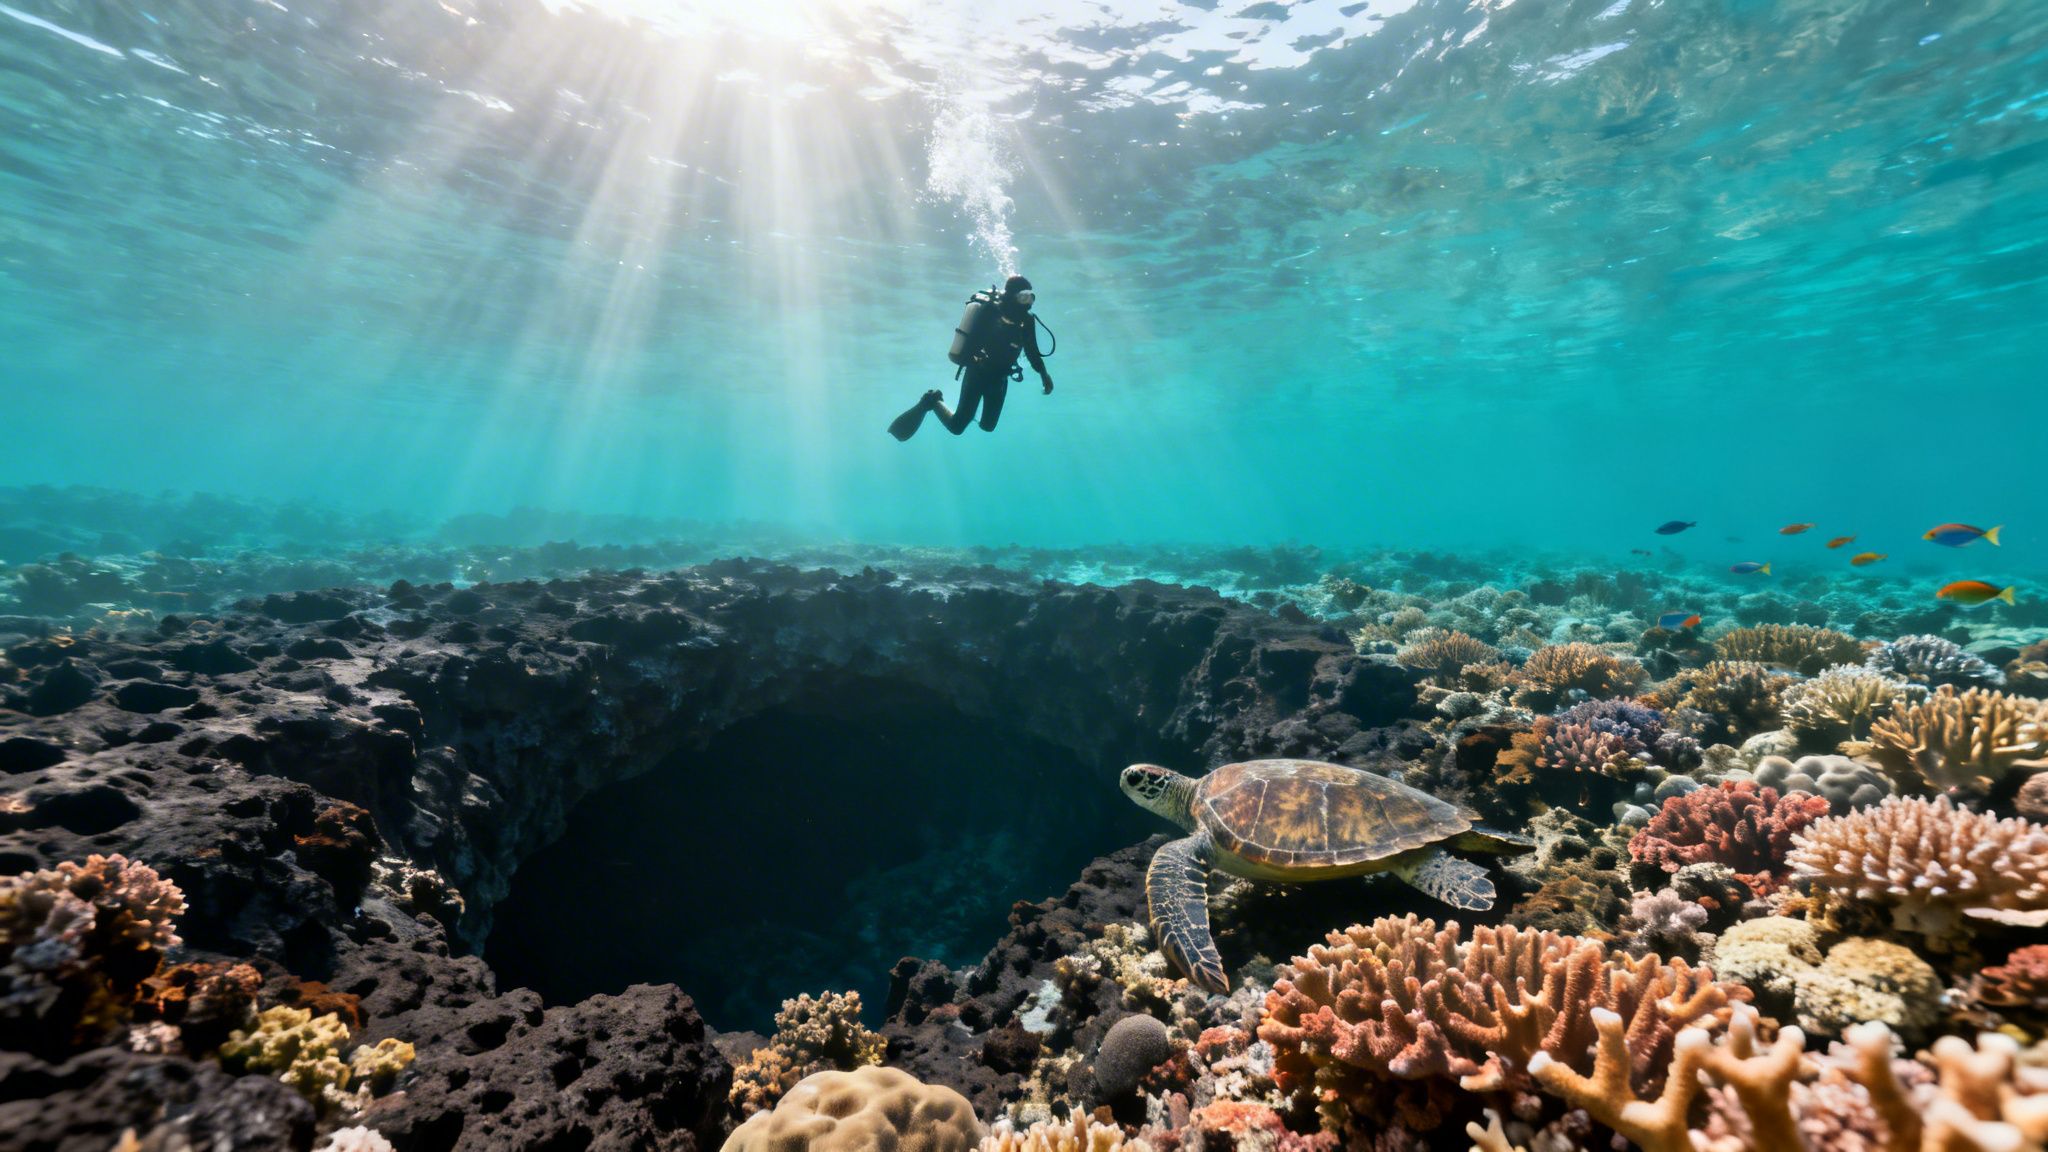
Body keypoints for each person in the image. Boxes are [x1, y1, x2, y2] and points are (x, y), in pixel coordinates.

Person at [889, 275, 1053, 441]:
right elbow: (972, 343)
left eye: (1031, 297)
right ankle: (931, 401)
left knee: (988, 427)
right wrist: (977, 360)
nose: (1029, 303)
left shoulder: (1027, 320)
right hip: (978, 374)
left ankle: (966, 413)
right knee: (957, 427)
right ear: (1012, 296)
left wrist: (1044, 375)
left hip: (1000, 379)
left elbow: (1032, 351)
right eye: (1024, 297)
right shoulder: (991, 311)